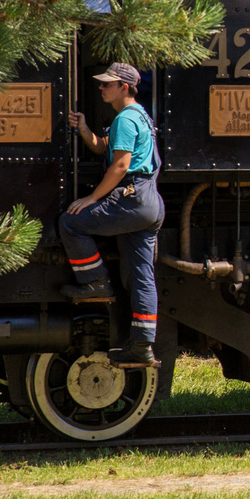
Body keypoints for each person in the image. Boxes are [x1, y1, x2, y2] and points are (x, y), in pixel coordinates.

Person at [60, 61, 165, 368]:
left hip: (132, 199)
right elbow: (103, 147)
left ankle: (94, 281)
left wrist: (91, 198)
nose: (102, 88)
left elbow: (119, 165)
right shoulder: (140, 116)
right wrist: (83, 129)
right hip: (149, 203)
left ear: (124, 87)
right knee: (142, 276)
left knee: (71, 222)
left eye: (107, 84)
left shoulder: (125, 119)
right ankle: (142, 345)